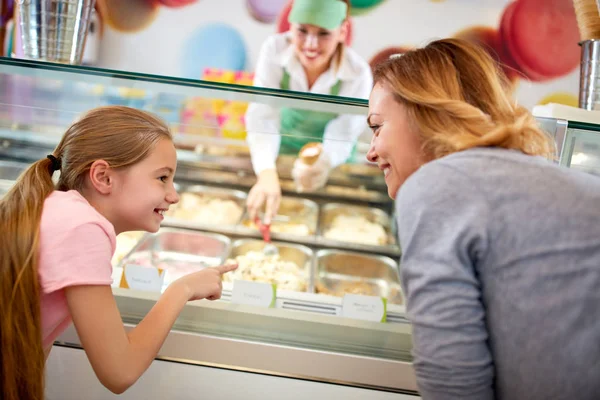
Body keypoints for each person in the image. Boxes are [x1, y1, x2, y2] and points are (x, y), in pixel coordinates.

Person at [366, 38, 600, 400]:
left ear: (423, 111)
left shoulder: (438, 185)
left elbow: (454, 384)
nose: (371, 151)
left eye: (377, 127)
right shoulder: (536, 179)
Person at [0, 106, 237, 399]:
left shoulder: (60, 208)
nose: (173, 195)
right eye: (162, 178)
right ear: (103, 177)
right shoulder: (82, 229)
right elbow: (119, 371)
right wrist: (183, 288)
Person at [245, 0, 373, 224]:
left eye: (323, 33)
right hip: (281, 149)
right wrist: (266, 171)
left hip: (334, 159)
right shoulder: (274, 50)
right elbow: (263, 114)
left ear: (342, 31)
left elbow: (343, 132)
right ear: (290, 26)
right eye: (302, 31)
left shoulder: (357, 73)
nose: (311, 45)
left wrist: (323, 161)